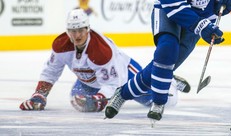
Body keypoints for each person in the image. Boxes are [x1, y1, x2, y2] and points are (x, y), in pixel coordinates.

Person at [19, 9, 190, 112]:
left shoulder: (101, 50)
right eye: (72, 31)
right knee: (77, 103)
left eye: (80, 30)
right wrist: (39, 95)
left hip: (124, 77)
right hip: (91, 82)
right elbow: (51, 71)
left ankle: (168, 80)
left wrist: (99, 98)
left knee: (160, 101)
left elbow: (113, 84)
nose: (76, 35)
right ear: (68, 31)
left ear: (87, 29)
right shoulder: (61, 45)